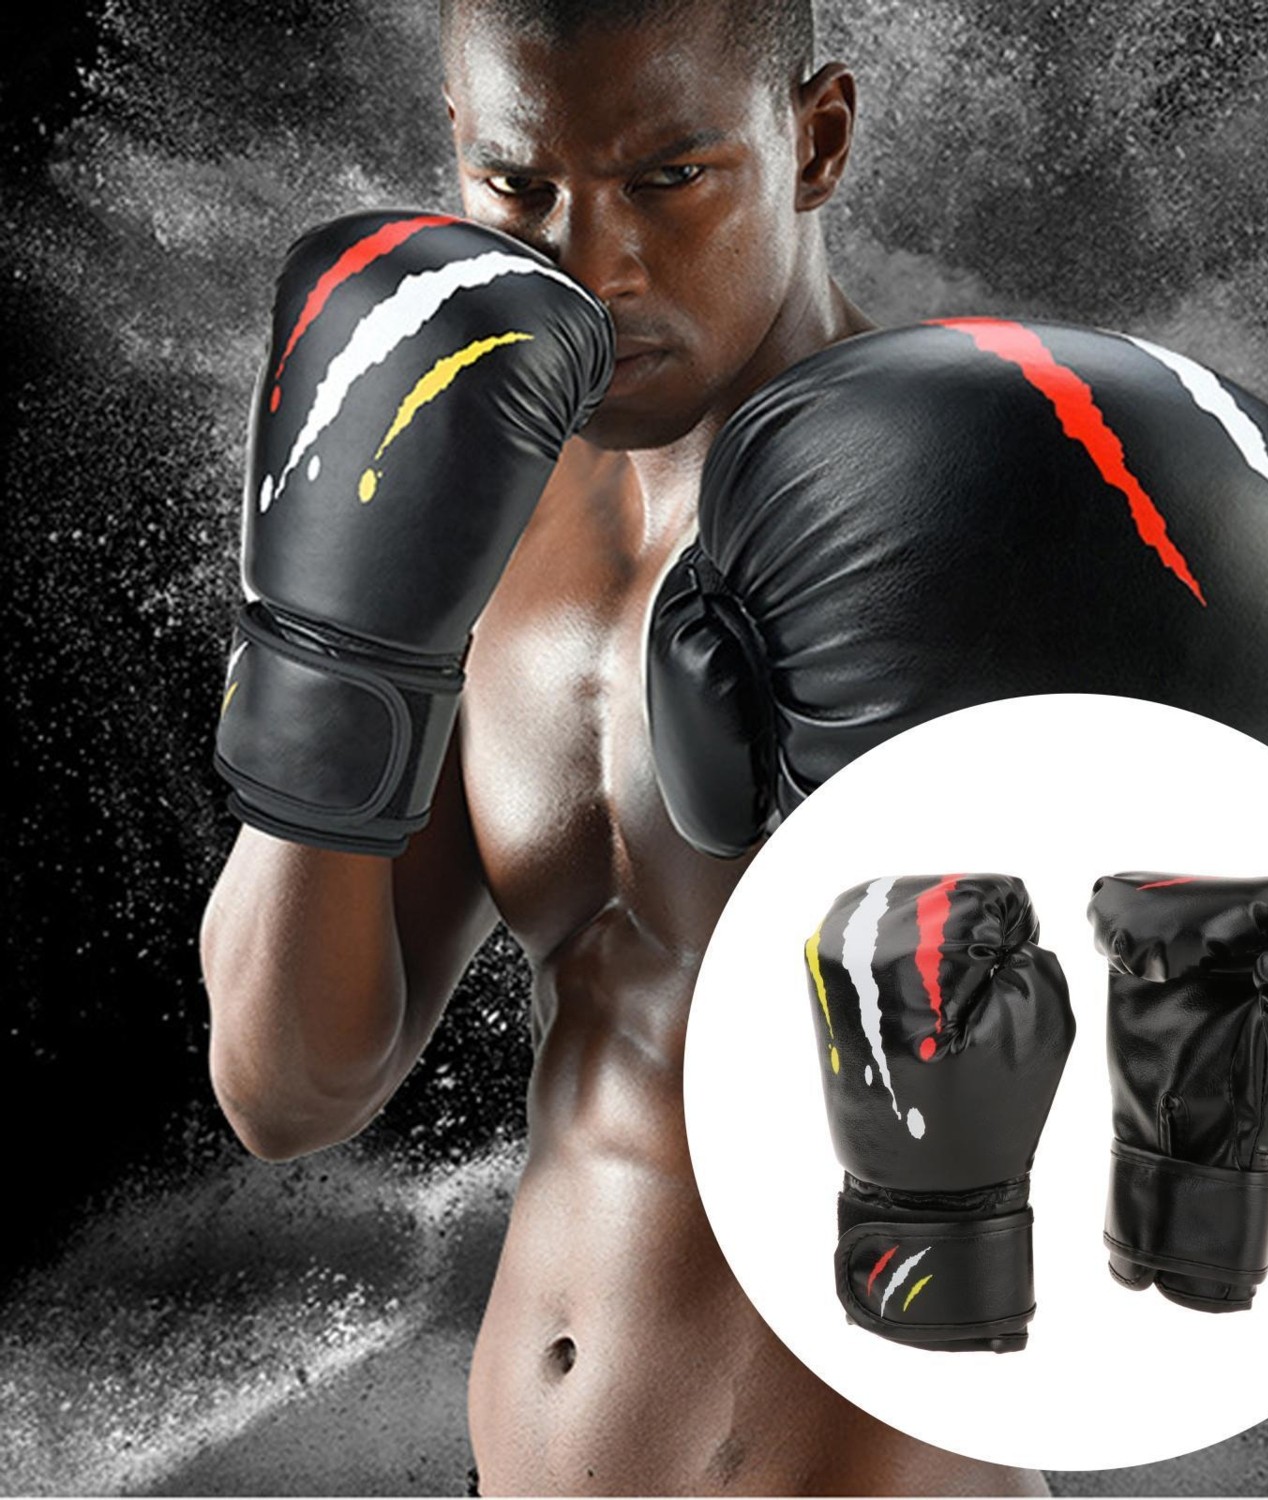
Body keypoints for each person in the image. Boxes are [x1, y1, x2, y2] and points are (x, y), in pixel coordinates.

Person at [200, 0, 1049, 1492]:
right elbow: (289, 1092)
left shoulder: (985, 507)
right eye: (521, 187)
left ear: (817, 141)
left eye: (668, 179)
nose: (591, 264)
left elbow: (1203, 1042)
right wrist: (331, 653)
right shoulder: (479, 513)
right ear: (457, 146)